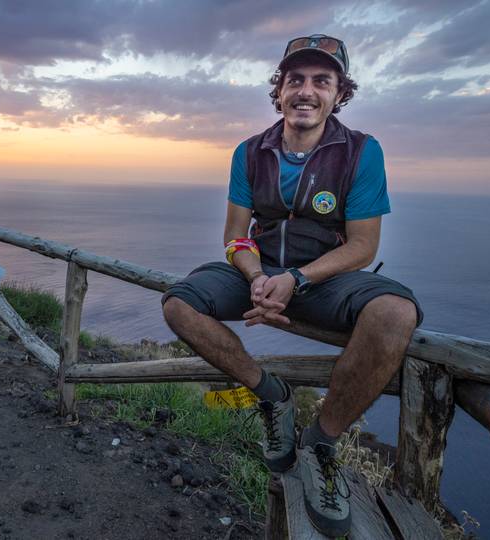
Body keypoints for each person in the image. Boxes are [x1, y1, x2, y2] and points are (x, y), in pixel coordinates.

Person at [161, 34, 423, 537]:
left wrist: (296, 279)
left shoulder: (362, 152)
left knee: (395, 313)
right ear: (278, 90)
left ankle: (321, 443)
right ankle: (272, 395)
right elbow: (236, 236)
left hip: (325, 279)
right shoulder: (249, 151)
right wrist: (259, 278)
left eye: (321, 81)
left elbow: (363, 246)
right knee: (179, 304)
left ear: (339, 92)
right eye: (294, 79)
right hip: (260, 271)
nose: (306, 90)